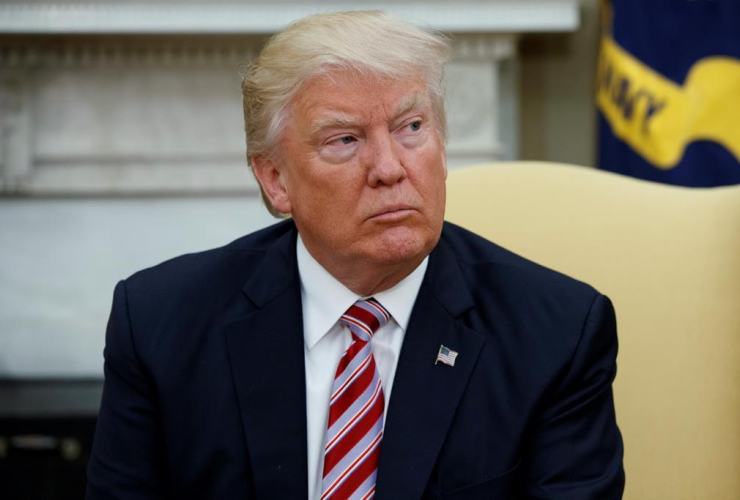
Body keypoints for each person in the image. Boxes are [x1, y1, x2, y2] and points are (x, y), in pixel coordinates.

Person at [87, 10, 624, 500]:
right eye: (345, 140)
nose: (389, 167)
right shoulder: (162, 323)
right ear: (275, 180)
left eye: (411, 127)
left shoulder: (557, 334)